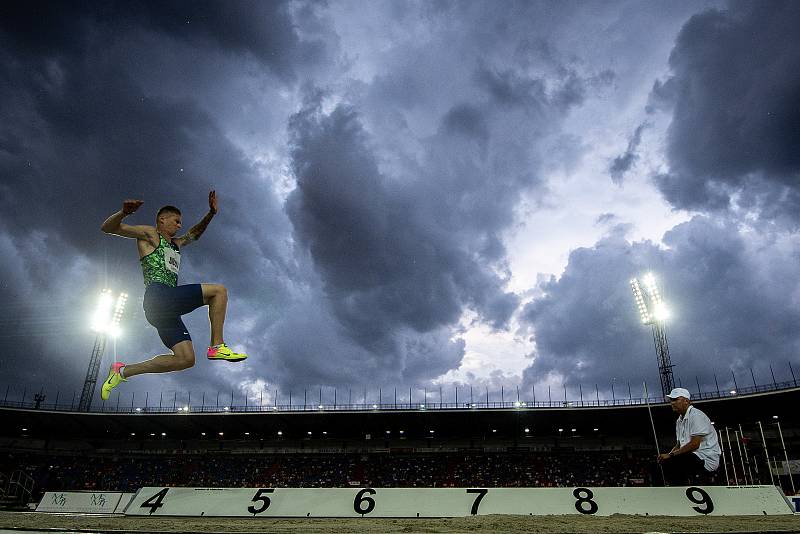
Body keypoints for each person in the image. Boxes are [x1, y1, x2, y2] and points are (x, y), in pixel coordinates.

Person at [99, 191, 247, 401]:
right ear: (162, 220)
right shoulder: (150, 234)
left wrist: (211, 214)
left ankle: (122, 371)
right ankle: (217, 346)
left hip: (165, 311)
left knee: (186, 359)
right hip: (158, 296)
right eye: (176, 221)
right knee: (218, 291)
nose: (179, 226)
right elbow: (107, 228)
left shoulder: (176, 244)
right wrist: (123, 213)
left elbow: (194, 234)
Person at [657, 387, 720, 485]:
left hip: (705, 458)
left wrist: (670, 455)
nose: (672, 403)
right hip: (691, 456)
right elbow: (678, 445)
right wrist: (667, 456)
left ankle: (680, 492)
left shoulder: (696, 415)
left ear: (686, 401)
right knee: (659, 464)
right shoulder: (679, 420)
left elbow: (694, 444)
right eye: (671, 400)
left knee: (677, 462)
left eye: (675, 399)